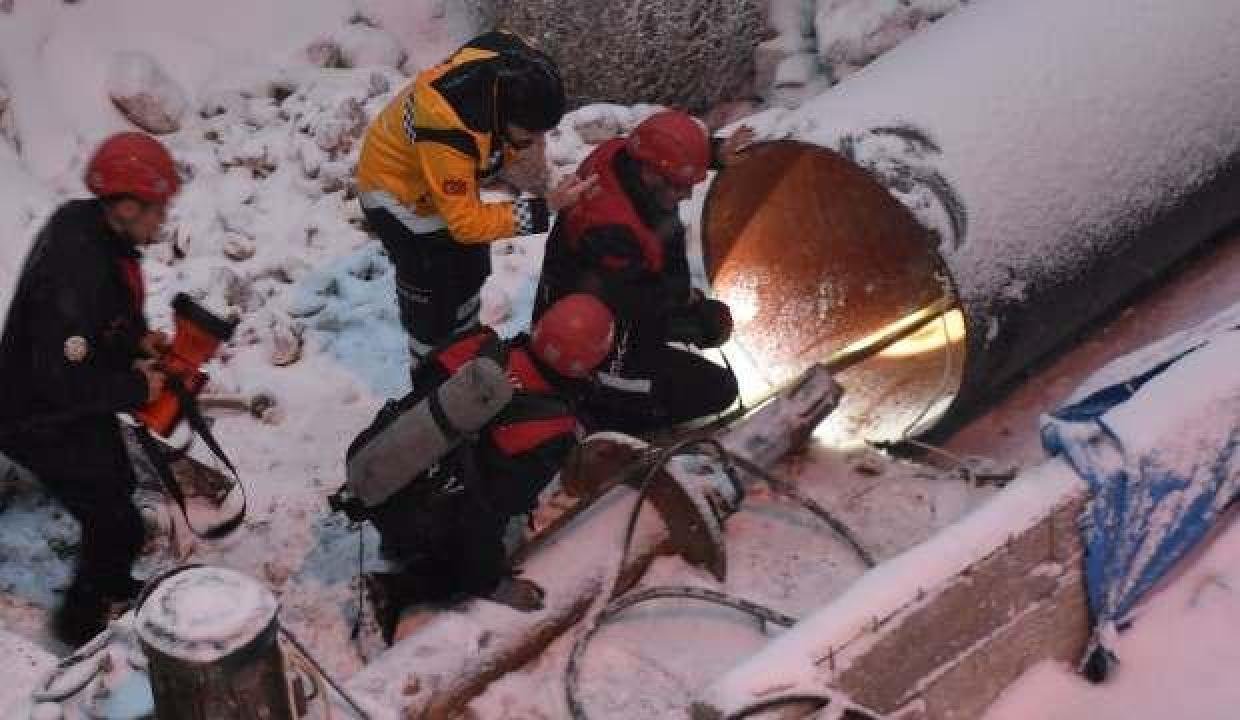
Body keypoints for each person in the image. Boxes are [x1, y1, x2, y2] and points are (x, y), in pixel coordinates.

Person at [347, 293, 614, 641]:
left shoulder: (478, 344)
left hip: (379, 469)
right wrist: (489, 581)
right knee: (463, 564)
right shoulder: (547, 430)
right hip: (413, 513)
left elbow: (422, 386)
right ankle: (392, 589)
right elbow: (484, 516)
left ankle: (404, 535)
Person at [0, 132, 175, 646]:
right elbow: (63, 379)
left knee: (117, 484)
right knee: (114, 518)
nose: (161, 221)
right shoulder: (78, 269)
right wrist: (136, 386)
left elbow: (102, 316)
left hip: (61, 395)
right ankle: (78, 628)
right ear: (124, 205)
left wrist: (135, 339)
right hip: (33, 412)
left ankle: (111, 586)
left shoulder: (87, 223)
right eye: (156, 210)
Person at [356, 31, 595, 372]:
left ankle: (464, 342)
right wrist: (546, 207)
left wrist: (546, 179)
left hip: (435, 178)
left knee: (470, 267)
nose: (537, 144)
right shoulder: (450, 126)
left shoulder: (511, 63)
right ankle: (429, 374)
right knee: (432, 286)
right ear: (503, 117)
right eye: (528, 135)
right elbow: (466, 224)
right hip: (396, 194)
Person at [532, 110, 753, 435]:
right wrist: (694, 314)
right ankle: (599, 406)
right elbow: (641, 301)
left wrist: (714, 153)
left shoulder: (623, 153)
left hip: (601, 291)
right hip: (589, 331)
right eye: (679, 187)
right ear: (650, 175)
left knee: (694, 321)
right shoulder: (609, 228)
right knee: (717, 389)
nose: (687, 195)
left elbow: (666, 150)